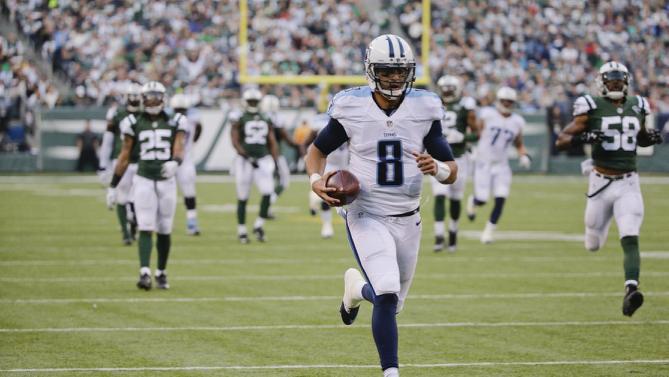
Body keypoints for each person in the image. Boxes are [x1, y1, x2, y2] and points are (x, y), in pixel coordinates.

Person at [305, 34, 457, 377]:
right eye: (387, 70)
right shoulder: (352, 106)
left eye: (400, 71)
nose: (394, 78)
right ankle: (391, 373)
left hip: (409, 218)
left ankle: (356, 290)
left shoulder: (424, 108)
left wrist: (440, 168)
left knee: (392, 302)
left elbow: (452, 172)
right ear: (371, 71)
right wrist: (315, 181)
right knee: (387, 292)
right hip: (366, 213)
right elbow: (317, 152)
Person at [555, 61, 663, 317]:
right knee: (592, 243)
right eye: (611, 80)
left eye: (619, 80)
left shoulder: (638, 104)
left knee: (630, 233)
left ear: (626, 82)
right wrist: (584, 138)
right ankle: (598, 241)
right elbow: (561, 140)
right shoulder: (590, 106)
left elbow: (641, 137)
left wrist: (651, 136)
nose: (616, 84)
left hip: (628, 182)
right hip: (600, 183)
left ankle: (631, 289)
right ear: (601, 83)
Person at [107, 81, 187, 290]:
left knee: (164, 228)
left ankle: (161, 271)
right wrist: (113, 185)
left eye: (156, 96)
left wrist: (175, 163)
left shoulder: (176, 120)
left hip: (166, 180)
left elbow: (179, 148)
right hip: (143, 178)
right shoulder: (132, 122)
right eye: (149, 97)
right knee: (145, 225)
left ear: (163, 98)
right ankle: (144, 272)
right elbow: (124, 155)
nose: (152, 100)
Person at [465, 86, 531, 244]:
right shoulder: (487, 114)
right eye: (504, 101)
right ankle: (473, 201)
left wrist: (523, 155)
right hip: (483, 162)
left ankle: (488, 232)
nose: (507, 104)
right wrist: (472, 147)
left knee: (501, 198)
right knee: (482, 199)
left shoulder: (517, 121)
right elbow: (476, 132)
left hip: (502, 165)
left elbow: (519, 143)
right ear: (499, 101)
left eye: (510, 102)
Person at [431, 75, 478, 252]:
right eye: (445, 89)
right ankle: (438, 235)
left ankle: (453, 233)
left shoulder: (465, 107)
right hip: (438, 158)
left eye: (450, 89)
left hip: (459, 157)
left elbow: (477, 133)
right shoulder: (432, 106)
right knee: (440, 195)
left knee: (456, 198)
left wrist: (463, 136)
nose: (447, 92)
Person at [230, 88, 279, 243]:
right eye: (250, 101)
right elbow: (235, 140)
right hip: (245, 161)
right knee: (243, 196)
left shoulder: (265, 117)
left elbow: (272, 141)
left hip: (262, 159)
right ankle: (242, 231)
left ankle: (258, 225)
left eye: (254, 101)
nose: (252, 104)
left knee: (267, 192)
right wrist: (245, 155)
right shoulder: (240, 118)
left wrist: (275, 161)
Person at [99, 82, 142, 245]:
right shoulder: (117, 114)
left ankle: (131, 228)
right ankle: (126, 231)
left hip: (138, 160)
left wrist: (103, 165)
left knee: (137, 198)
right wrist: (104, 165)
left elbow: (107, 141)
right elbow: (108, 140)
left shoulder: (144, 115)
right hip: (123, 160)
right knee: (124, 197)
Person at [302, 112, 350, 238]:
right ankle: (327, 225)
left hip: (344, 163)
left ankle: (313, 199)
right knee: (327, 193)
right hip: (328, 163)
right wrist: (306, 157)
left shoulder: (350, 118)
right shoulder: (320, 121)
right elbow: (308, 143)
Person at [260, 94, 301, 219]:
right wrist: (299, 146)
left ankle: (266, 208)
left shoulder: (259, 118)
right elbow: (287, 139)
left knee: (269, 184)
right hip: (275, 155)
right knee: (284, 182)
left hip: (262, 156)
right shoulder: (277, 118)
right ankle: (266, 207)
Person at [170, 93, 203, 236]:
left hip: (177, 159)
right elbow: (200, 128)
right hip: (181, 160)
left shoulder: (170, 119)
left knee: (186, 193)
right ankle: (190, 223)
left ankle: (191, 222)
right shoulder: (192, 119)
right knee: (181, 193)